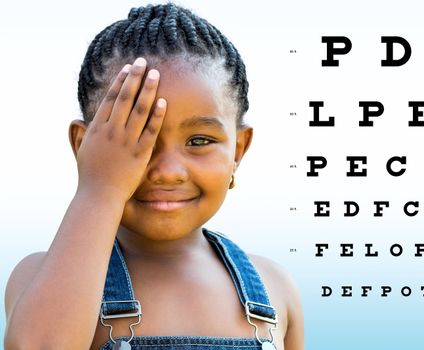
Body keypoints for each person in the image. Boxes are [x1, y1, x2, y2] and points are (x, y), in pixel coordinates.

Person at [3, 2, 304, 349]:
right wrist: (100, 189)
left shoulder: (275, 288)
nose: (168, 172)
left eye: (199, 141)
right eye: (137, 139)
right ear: (84, 147)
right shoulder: (39, 277)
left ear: (238, 151)